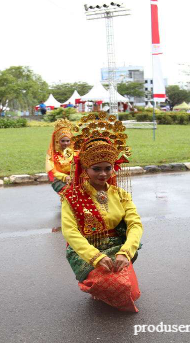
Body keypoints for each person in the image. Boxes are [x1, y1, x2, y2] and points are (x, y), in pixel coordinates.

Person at [61, 112, 143, 312]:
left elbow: (135, 225)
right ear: (85, 169)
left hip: (117, 249)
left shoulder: (121, 194)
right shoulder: (72, 196)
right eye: (96, 169)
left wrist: (125, 252)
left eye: (108, 168)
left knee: (129, 292)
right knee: (118, 288)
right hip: (87, 252)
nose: (103, 174)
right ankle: (93, 284)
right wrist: (95, 257)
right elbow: (70, 232)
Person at [45, 119, 75, 193]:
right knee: (68, 194)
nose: (65, 143)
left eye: (68, 141)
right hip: (58, 179)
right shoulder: (52, 154)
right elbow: (52, 170)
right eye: (63, 141)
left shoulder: (73, 152)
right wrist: (64, 177)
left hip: (74, 179)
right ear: (58, 141)